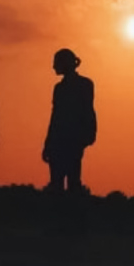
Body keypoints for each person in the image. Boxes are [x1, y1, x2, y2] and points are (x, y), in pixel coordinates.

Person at [43, 48, 95, 193]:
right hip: (63, 141)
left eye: (56, 63)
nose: (53, 67)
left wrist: (87, 136)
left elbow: (86, 111)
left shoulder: (83, 85)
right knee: (61, 183)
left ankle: (69, 212)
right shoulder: (61, 88)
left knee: (68, 182)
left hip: (70, 140)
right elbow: (56, 117)